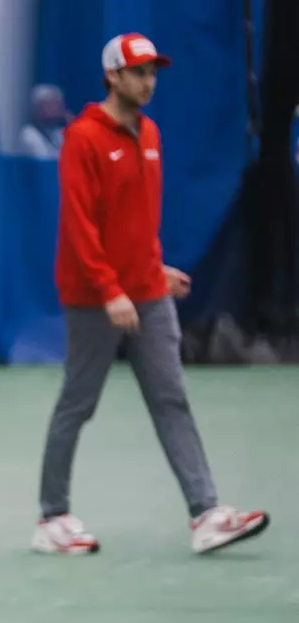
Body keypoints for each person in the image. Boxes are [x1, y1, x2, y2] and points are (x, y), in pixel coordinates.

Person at [33, 34, 269, 556]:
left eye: (153, 73)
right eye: (138, 72)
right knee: (79, 402)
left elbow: (134, 220)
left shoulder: (151, 133)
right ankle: (52, 516)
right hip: (95, 297)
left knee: (171, 400)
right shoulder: (83, 138)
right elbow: (80, 225)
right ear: (112, 76)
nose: (148, 82)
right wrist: (111, 290)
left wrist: (154, 269)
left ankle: (206, 513)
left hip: (144, 292)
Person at [19, 83, 68, 159]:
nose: (60, 110)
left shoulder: (58, 133)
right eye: (55, 105)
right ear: (39, 108)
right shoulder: (29, 135)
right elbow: (44, 161)